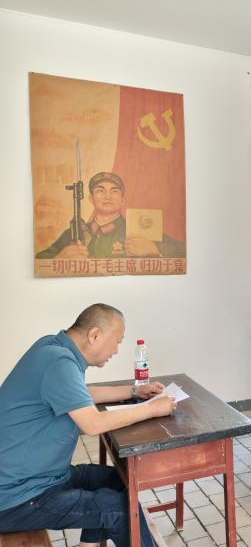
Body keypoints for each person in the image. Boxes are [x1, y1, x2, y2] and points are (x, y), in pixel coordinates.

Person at [0, 304, 176, 547]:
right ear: (94, 335)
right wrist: (152, 409)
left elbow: (81, 394)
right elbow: (93, 424)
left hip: (45, 478)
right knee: (120, 511)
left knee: (119, 481)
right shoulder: (59, 362)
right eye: (116, 342)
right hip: (17, 497)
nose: (116, 350)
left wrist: (135, 391)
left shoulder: (52, 347)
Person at [37, 172, 184, 259]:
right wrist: (59, 258)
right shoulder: (75, 233)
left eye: (114, 191)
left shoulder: (137, 230)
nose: (108, 196)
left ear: (122, 200)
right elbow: (38, 260)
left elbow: (183, 251)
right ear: (91, 199)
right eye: (100, 191)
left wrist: (155, 250)